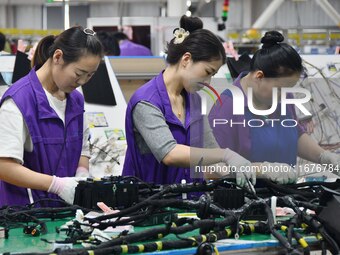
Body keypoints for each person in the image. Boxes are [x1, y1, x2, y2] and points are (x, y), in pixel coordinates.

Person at [122, 15, 255, 187]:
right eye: (207, 72)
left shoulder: (195, 101)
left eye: (212, 75)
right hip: (149, 203)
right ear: (186, 59)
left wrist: (246, 172)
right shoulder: (147, 102)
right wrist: (226, 155)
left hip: (189, 203)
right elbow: (169, 153)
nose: (208, 82)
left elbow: (211, 153)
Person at [208, 31, 339, 184]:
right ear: (259, 77)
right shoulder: (226, 108)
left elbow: (293, 134)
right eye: (281, 88)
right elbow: (212, 169)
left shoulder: (283, 97)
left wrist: (324, 157)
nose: (285, 94)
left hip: (285, 198)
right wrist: (260, 170)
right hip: (246, 201)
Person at [0, 26, 104, 206]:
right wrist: (57, 185)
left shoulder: (76, 101)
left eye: (90, 76)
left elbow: (82, 148)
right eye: (79, 74)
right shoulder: (18, 101)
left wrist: (81, 173)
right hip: (25, 216)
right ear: (57, 57)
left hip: (64, 214)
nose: (82, 82)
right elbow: (4, 166)